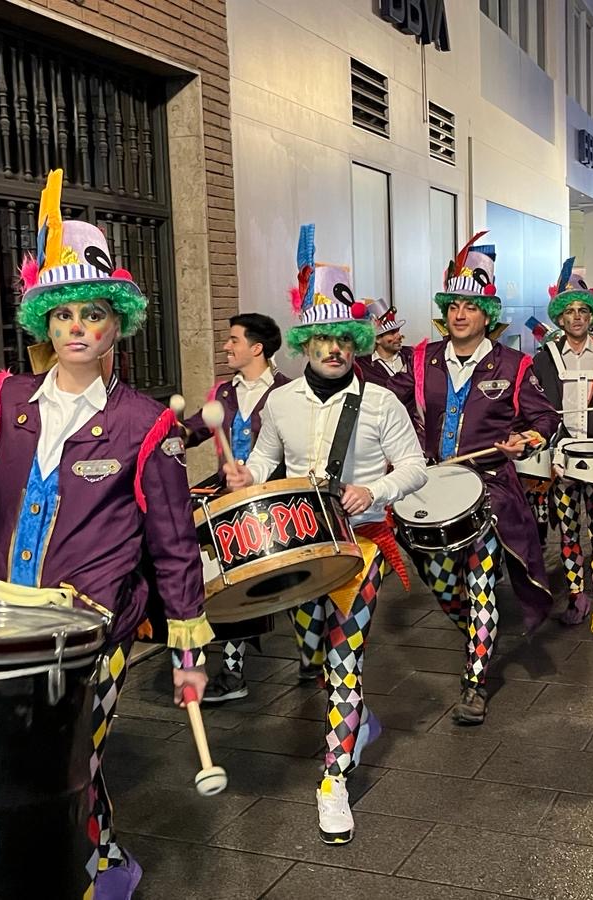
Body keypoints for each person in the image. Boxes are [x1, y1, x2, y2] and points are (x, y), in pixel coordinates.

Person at [0, 171, 211, 899]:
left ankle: (97, 877)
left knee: (72, 758)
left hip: (92, 625)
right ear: (46, 324)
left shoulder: (144, 422)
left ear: (115, 324)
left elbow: (171, 539)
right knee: (12, 756)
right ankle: (99, 857)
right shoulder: (2, 401)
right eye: (62, 315)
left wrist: (188, 639)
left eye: (92, 314)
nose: (76, 328)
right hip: (4, 616)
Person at [221, 224, 427, 843]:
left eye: (344, 338)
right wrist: (241, 476)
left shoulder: (383, 402)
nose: (333, 348)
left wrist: (378, 490)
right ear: (306, 342)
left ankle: (333, 782)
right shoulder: (279, 404)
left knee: (345, 660)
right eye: (322, 338)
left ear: (355, 341)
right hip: (297, 543)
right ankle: (355, 719)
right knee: (311, 651)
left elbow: (416, 468)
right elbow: (263, 466)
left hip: (360, 547)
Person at [388, 231, 562, 724]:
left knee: (482, 584)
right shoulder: (420, 360)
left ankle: (475, 681)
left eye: (472, 305)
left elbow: (544, 420)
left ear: (488, 313)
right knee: (444, 587)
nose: (461, 313)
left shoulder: (514, 364)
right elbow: (382, 402)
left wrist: (525, 440)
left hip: (489, 492)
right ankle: (478, 635)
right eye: (454, 305)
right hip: (426, 490)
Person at [180, 312, 291, 704]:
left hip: (274, 500)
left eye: (233, 340)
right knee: (232, 583)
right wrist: (170, 434)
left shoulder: (287, 392)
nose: (226, 346)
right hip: (226, 499)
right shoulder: (223, 393)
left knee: (299, 592)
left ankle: (315, 655)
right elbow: (194, 428)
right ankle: (231, 671)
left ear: (256, 348)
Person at [530, 260, 593, 639]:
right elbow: (532, 399)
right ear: (560, 317)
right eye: (570, 311)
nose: (576, 317)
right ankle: (578, 596)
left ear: (592, 315)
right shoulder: (545, 357)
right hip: (560, 458)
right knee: (569, 531)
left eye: (583, 310)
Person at [359, 298, 409, 383]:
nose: (399, 336)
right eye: (392, 333)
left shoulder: (412, 356)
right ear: (377, 339)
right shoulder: (363, 365)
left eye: (398, 331)